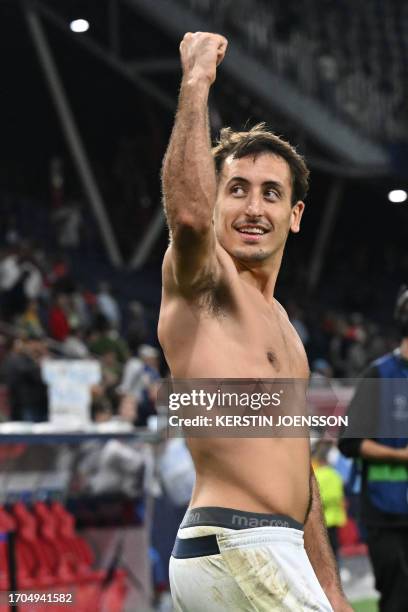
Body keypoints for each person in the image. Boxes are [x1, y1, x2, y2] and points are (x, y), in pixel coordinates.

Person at [158, 32, 351, 611]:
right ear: (216, 201)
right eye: (236, 189)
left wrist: (333, 591)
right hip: (240, 543)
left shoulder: (286, 329)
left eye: (271, 194)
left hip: (263, 547)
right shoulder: (204, 284)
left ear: (294, 216)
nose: (252, 208)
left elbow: (300, 477)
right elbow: (188, 220)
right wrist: (196, 83)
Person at [339, 285, 408, 612]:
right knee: (398, 597)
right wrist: (399, 456)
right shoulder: (379, 376)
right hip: (386, 511)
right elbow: (350, 442)